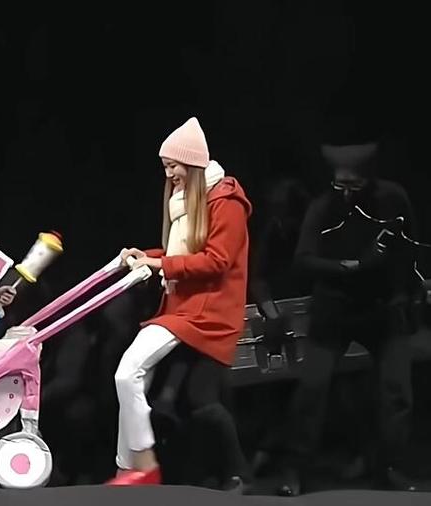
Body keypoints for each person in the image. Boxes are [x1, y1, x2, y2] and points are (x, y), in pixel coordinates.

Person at [107, 117, 252, 487]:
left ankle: (141, 465)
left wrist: (160, 264)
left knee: (131, 373)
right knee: (195, 399)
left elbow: (217, 260)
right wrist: (147, 256)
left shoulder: (226, 203)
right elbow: (182, 253)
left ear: (192, 163)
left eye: (173, 166)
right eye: (165, 167)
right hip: (182, 308)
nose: (169, 174)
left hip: (208, 311)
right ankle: (132, 468)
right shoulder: (184, 201)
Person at [276, 133, 420, 495]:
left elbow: (409, 250)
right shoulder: (323, 206)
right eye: (340, 185)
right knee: (312, 389)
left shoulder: (393, 198)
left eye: (354, 186)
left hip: (381, 309)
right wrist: (349, 266)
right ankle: (295, 470)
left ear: (369, 178)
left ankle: (390, 468)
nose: (346, 194)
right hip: (334, 310)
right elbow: (303, 259)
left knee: (396, 391)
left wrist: (403, 293)